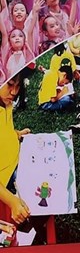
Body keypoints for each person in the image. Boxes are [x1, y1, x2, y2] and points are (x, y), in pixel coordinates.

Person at [0, 73, 32, 229]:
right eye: (10, 84)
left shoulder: (6, 103)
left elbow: (4, 132)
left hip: (17, 158)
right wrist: (12, 201)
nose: (14, 92)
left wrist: (17, 134)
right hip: (4, 179)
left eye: (18, 86)